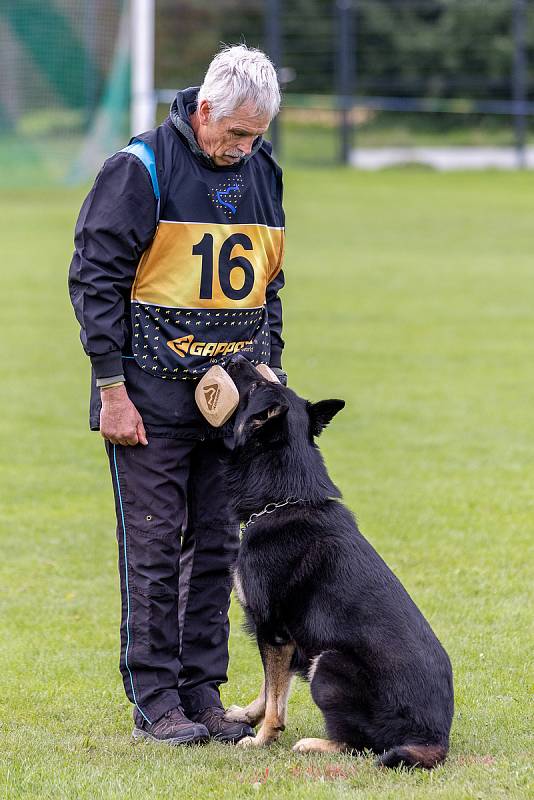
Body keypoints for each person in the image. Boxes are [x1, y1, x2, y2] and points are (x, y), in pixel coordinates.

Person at [68, 44, 286, 745]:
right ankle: (155, 700)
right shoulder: (140, 169)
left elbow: (268, 282)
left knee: (219, 547)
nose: (245, 149)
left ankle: (201, 692)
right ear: (203, 111)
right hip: (148, 397)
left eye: (257, 136)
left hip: (230, 409)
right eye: (236, 135)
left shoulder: (263, 171)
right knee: (157, 547)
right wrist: (111, 389)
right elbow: (95, 279)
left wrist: (271, 368)